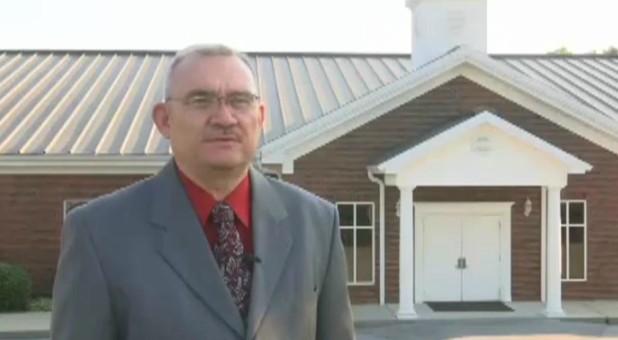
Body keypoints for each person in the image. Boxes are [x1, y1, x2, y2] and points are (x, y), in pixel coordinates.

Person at [50, 44, 355, 340]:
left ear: (261, 117)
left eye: (239, 100)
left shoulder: (316, 223)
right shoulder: (98, 233)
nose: (224, 118)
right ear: (164, 120)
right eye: (201, 100)